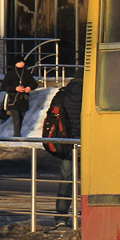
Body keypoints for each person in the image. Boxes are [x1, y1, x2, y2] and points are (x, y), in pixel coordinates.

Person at [52, 75, 83, 215]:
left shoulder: (63, 94)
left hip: (67, 144)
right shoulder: (92, 94)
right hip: (87, 143)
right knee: (88, 181)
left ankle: (61, 215)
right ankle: (86, 213)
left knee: (66, 180)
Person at [1, 60, 36, 138]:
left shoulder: (26, 73)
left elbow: (34, 83)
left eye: (23, 62)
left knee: (21, 117)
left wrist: (29, 87)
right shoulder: (10, 74)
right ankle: (17, 135)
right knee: (16, 118)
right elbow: (3, 87)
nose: (22, 64)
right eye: (19, 62)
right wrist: (15, 88)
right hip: (13, 99)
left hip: (23, 99)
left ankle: (18, 134)